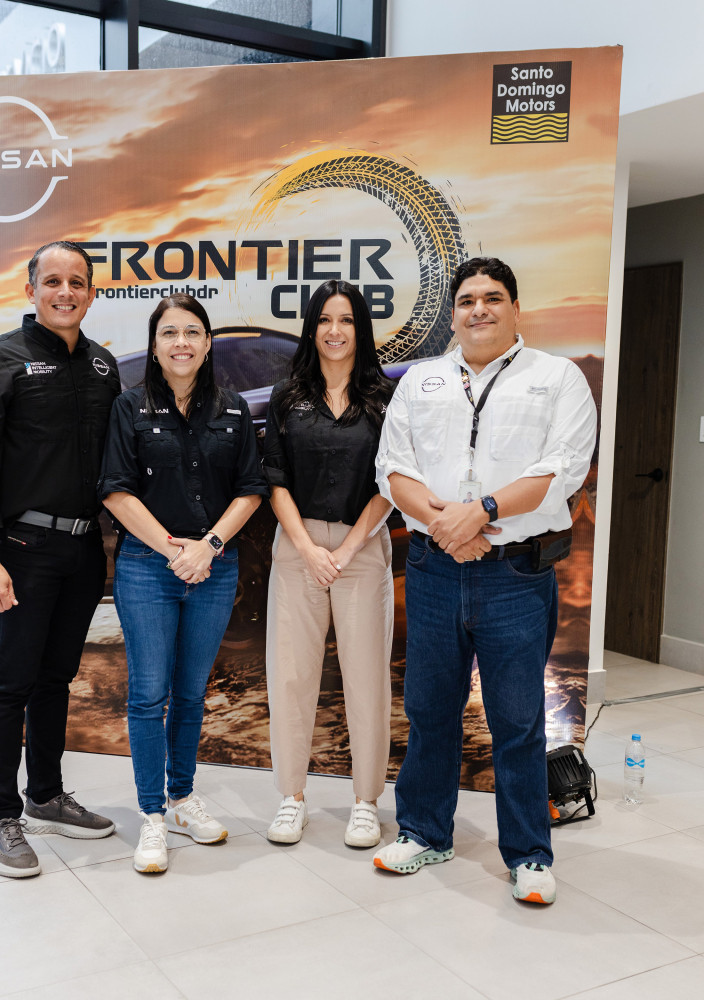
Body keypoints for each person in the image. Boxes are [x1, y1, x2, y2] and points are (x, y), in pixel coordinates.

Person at [373, 257, 597, 904]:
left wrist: (482, 512)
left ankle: (528, 853)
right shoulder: (423, 381)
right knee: (429, 711)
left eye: (492, 298)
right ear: (453, 313)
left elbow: (564, 470)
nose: (479, 310)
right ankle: (423, 832)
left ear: (514, 308)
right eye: (467, 300)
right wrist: (447, 526)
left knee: (519, 720)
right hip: (435, 568)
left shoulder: (557, 379)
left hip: (515, 578)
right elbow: (393, 468)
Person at [0, 241, 121, 879]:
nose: (65, 292)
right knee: (14, 683)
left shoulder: (105, 368)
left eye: (77, 282)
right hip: (21, 551)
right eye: (52, 281)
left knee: (56, 680)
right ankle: (2, 817)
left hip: (83, 551)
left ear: (91, 292)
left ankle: (46, 796)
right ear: (31, 289)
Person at [98, 293, 267, 874]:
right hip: (149, 568)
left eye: (192, 332)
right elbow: (116, 491)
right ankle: (150, 815)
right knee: (149, 694)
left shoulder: (234, 408)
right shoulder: (129, 407)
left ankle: (181, 797)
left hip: (213, 568)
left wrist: (209, 547)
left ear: (207, 342)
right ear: (154, 344)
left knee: (192, 693)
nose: (181, 343)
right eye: (169, 333)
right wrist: (173, 550)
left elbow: (251, 489)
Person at [263, 279, 395, 848]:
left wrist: (343, 551)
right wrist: (308, 548)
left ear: (360, 329)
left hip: (362, 548)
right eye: (325, 320)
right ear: (312, 328)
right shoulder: (287, 397)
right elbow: (274, 480)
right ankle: (292, 798)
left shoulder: (385, 398)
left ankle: (365, 801)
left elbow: (392, 482)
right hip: (297, 549)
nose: (335, 331)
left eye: (346, 320)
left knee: (366, 677)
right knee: (290, 676)